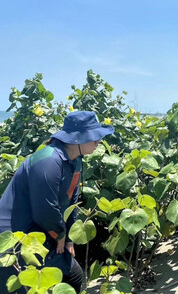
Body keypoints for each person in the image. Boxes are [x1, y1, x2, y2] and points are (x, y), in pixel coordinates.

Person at [0, 111, 114, 294]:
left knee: (72, 276)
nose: (98, 143)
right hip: (12, 237)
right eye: (94, 138)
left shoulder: (75, 161)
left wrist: (68, 240)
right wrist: (60, 235)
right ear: (78, 139)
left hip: (40, 231)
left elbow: (71, 203)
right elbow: (45, 211)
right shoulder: (48, 160)